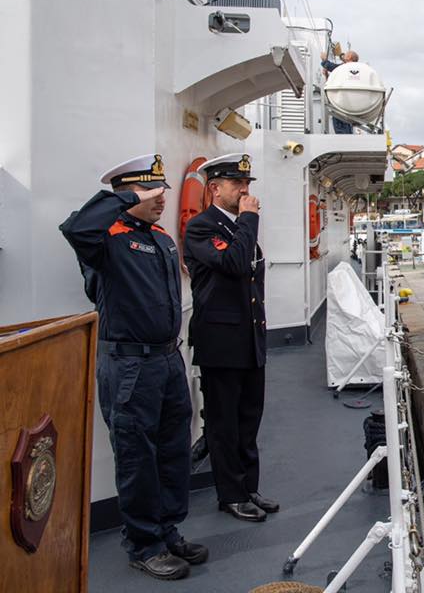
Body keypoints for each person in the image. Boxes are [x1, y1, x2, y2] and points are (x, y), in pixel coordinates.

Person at [60, 154, 206, 580]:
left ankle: (167, 529)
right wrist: (124, 198)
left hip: (166, 359)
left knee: (174, 448)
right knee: (137, 456)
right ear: (127, 192)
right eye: (151, 191)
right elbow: (74, 227)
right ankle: (144, 544)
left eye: (162, 189)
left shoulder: (160, 239)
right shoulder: (105, 239)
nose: (162, 197)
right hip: (128, 365)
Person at [183, 153, 278, 523]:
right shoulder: (202, 228)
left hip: (250, 340)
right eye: (237, 184)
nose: (244, 190)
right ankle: (231, 495)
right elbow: (235, 265)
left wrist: (245, 223)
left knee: (249, 419)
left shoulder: (240, 229)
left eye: (247, 184)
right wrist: (249, 218)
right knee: (224, 424)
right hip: (221, 345)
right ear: (214, 188)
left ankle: (249, 487)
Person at [320, 48, 360, 134]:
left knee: (341, 126)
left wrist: (324, 60)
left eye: (346, 54)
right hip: (348, 104)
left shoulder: (348, 68)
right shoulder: (354, 70)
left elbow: (333, 67)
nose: (344, 56)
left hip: (342, 103)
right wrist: (327, 75)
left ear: (349, 57)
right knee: (345, 125)